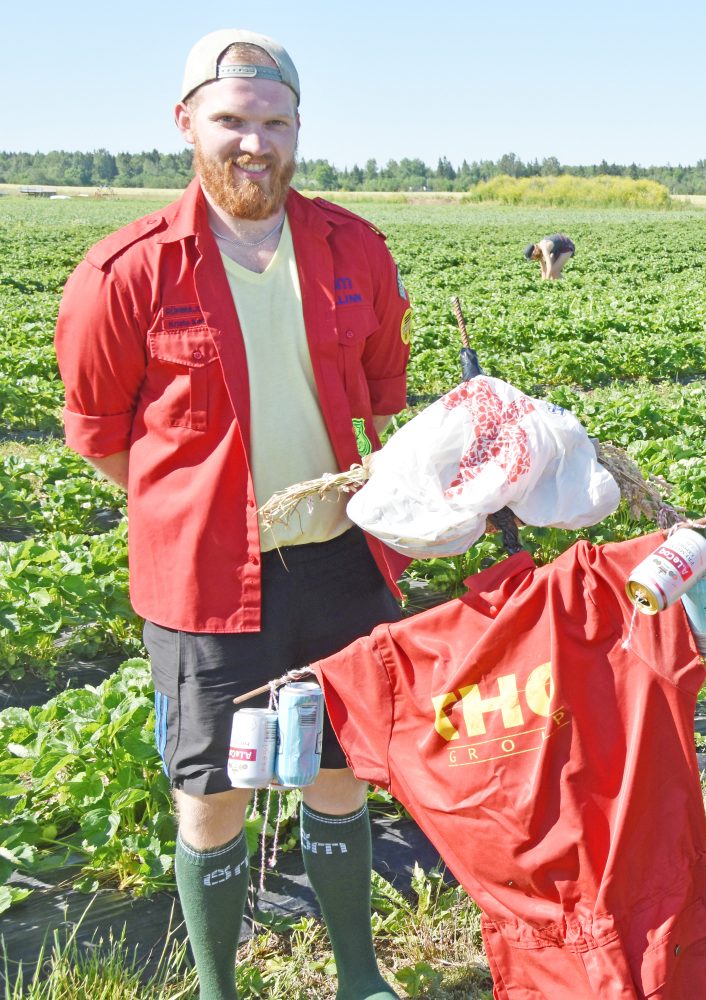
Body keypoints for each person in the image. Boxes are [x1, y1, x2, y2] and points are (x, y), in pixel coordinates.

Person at [54, 30, 412, 1000]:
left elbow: (381, 396)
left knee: (340, 769)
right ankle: (220, 991)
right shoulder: (126, 272)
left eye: (274, 122)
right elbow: (100, 435)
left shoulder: (354, 248)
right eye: (231, 121)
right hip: (207, 578)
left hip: (342, 561)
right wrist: (197, 511)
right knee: (212, 791)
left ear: (298, 127)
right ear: (186, 124)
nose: (254, 143)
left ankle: (359, 977)